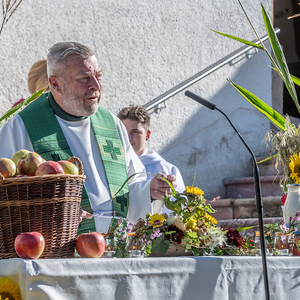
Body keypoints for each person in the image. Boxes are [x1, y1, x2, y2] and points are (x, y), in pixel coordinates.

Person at [0, 42, 175, 234]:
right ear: (55, 84)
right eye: (84, 78)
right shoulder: (23, 127)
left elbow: (132, 182)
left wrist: (149, 189)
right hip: (57, 251)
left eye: (98, 76)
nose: (96, 86)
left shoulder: (111, 123)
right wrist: (54, 212)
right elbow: (8, 195)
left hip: (115, 246)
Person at [118, 105, 185, 214]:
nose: (129, 138)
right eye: (124, 132)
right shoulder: (113, 166)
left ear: (147, 134)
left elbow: (177, 211)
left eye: (135, 132)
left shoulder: (167, 170)